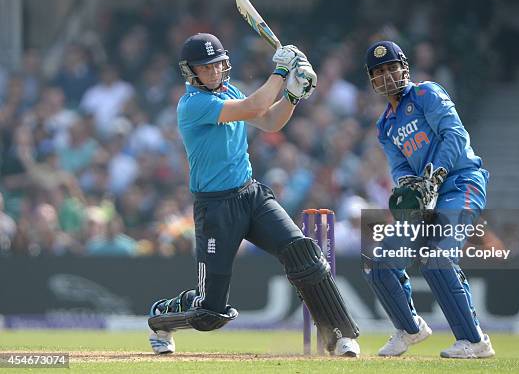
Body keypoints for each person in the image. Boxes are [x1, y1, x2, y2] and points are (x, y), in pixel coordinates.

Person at [147, 33, 360, 357]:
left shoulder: (229, 91)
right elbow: (255, 106)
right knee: (210, 313)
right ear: (191, 72)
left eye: (218, 64)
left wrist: (292, 94)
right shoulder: (193, 104)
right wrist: (281, 71)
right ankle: (163, 316)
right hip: (215, 208)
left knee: (303, 252)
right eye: (206, 68)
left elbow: (271, 120)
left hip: (251, 195)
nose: (215, 72)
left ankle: (340, 334)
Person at [361, 40, 495, 358]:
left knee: (437, 258)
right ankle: (410, 328)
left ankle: (474, 341)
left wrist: (433, 176)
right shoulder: (385, 126)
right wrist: (410, 187)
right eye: (380, 71)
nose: (388, 75)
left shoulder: (426, 94)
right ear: (372, 80)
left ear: (404, 68)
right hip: (425, 197)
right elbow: (401, 168)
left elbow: (454, 135)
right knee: (381, 261)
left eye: (393, 67)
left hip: (461, 184)